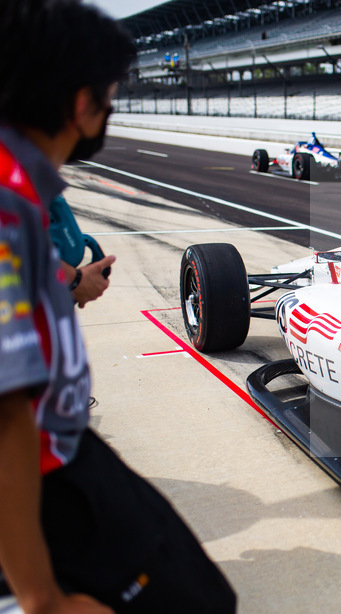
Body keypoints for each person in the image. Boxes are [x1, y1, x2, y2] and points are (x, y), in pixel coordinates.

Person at [0, 2, 236, 612]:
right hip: (46, 465)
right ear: (81, 105)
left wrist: (70, 278)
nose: (109, 111)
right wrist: (41, 596)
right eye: (109, 96)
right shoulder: (9, 204)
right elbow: (3, 415)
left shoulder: (21, 189)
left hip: (63, 443)